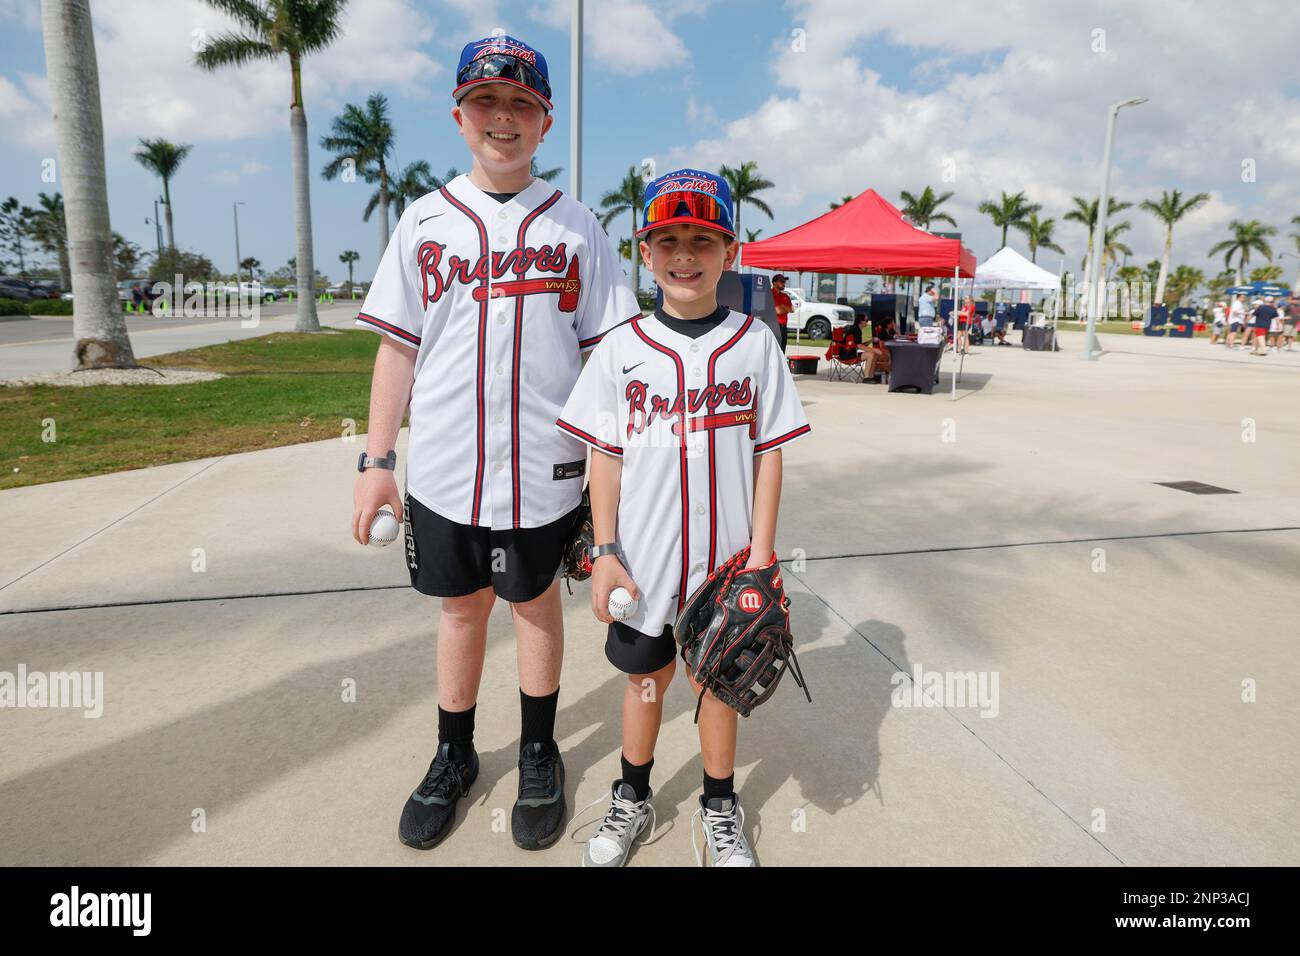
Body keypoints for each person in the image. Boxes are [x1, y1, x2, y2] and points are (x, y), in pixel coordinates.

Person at [351, 33, 640, 854]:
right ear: (459, 116)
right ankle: (454, 753)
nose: (503, 118)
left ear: (545, 122)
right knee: (458, 609)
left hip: (545, 474)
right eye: (487, 103)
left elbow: (606, 360)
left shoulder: (577, 227)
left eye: (522, 105)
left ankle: (540, 751)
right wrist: (376, 463)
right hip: (443, 469)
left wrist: (611, 480)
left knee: (536, 604)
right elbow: (396, 347)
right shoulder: (423, 221)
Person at [556, 168, 810, 866]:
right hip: (642, 559)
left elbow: (770, 455)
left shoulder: (754, 343)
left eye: (703, 238)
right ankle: (632, 798)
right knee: (644, 683)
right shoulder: (621, 349)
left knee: (718, 682)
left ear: (730, 249)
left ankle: (719, 806)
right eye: (668, 239)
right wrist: (604, 547)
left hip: (725, 565)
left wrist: (763, 552)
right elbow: (602, 457)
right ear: (645, 251)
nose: (685, 254)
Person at [771, 274, 792, 353]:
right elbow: (777, 311)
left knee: (782, 350)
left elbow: (791, 309)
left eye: (784, 282)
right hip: (774, 326)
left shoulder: (785, 296)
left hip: (783, 327)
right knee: (774, 350)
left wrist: (782, 307)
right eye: (782, 281)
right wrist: (784, 308)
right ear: (774, 283)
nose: (784, 283)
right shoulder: (770, 294)